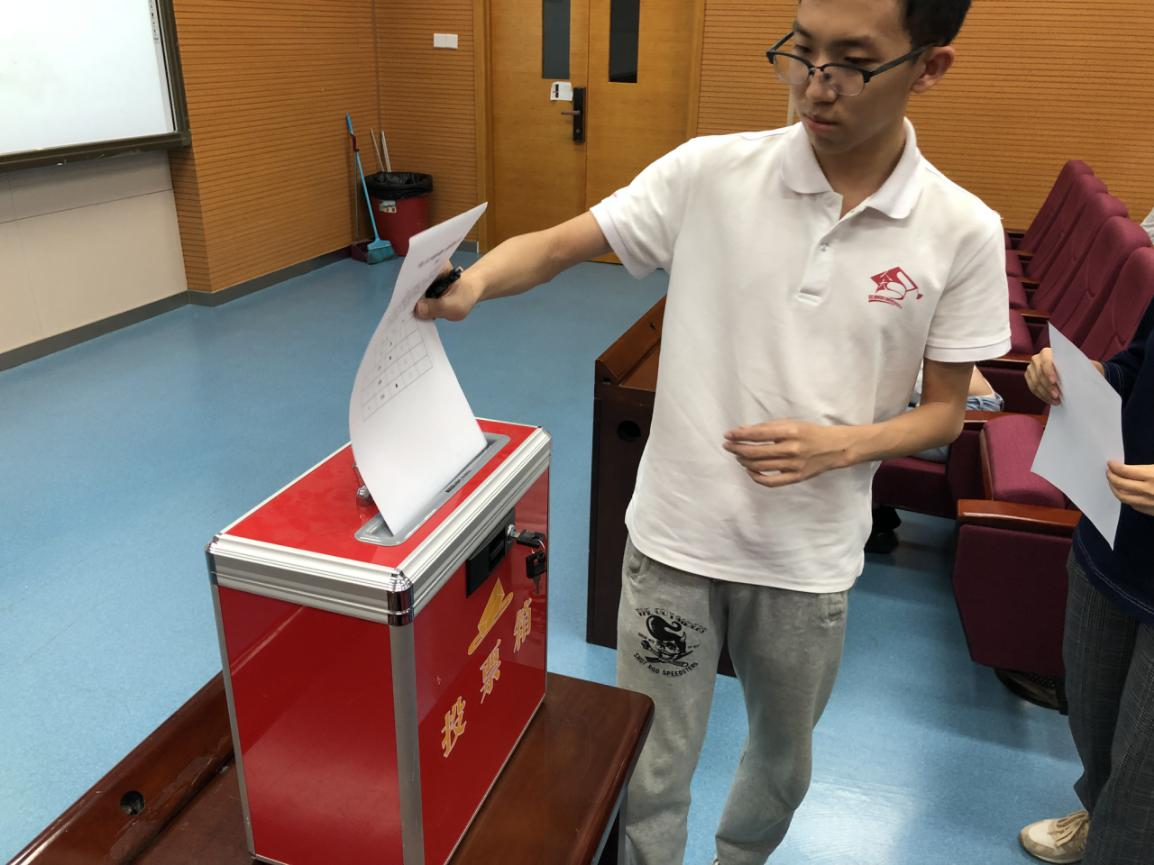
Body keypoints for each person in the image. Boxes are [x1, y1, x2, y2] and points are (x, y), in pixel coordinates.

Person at [418, 0, 1009, 861]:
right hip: (676, 542)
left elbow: (947, 412)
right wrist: (474, 283)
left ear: (929, 66)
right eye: (802, 52)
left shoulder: (962, 230)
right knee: (650, 761)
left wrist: (840, 445)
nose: (815, 86)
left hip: (807, 562)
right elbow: (561, 242)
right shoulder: (710, 172)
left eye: (851, 62)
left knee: (782, 764)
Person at [1018, 300, 1154, 865]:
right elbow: (1136, 368)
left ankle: (1119, 843)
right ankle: (1101, 816)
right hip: (1114, 533)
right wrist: (1083, 379)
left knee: (1144, 774)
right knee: (1093, 720)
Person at [867, 365, 1003, 553]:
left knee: (865, 431)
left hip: (968, 419)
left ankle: (874, 520)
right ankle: (878, 515)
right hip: (972, 407)